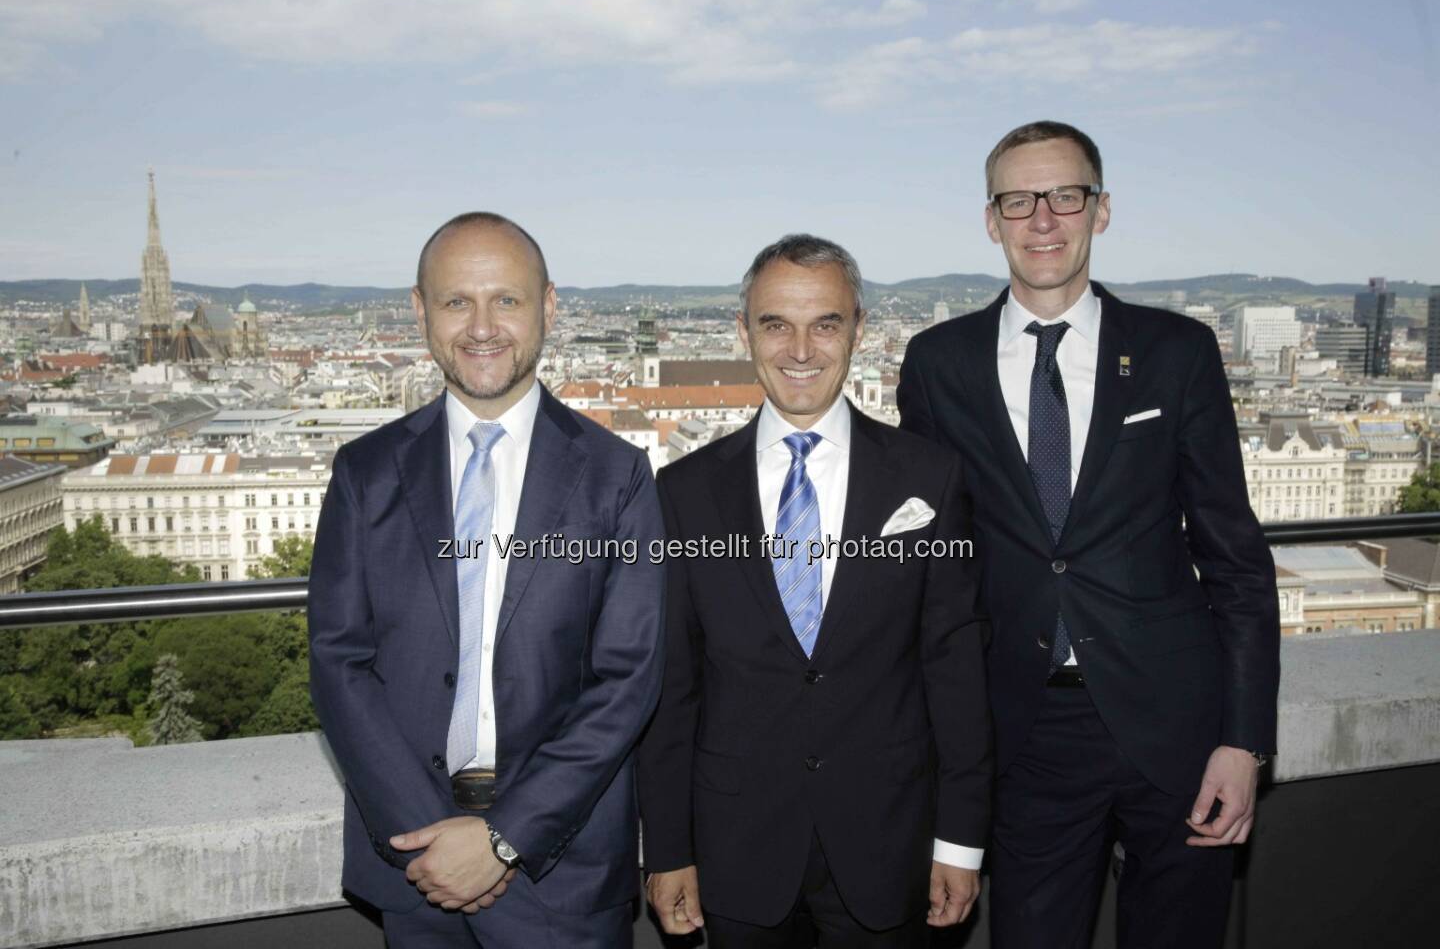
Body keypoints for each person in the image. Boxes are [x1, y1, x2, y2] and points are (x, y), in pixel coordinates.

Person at [898, 121, 1280, 949]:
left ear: (1100, 211)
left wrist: (1244, 741)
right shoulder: (937, 363)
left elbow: (1235, 558)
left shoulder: (1178, 352)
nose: (1043, 219)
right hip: (1026, 733)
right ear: (990, 219)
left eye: (1065, 196)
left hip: (1177, 726)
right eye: (1018, 199)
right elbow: (934, 566)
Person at [308, 211, 665, 948]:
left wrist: (505, 838)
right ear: (419, 311)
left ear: (549, 306)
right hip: (414, 863)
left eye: (506, 299)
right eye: (455, 301)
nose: (482, 326)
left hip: (559, 866)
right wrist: (430, 839)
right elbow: (339, 661)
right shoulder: (364, 474)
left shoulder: (616, 475)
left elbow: (627, 677)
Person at [637, 234, 991, 948]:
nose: (801, 348)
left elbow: (954, 672)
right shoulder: (684, 493)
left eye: (825, 323)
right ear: (744, 333)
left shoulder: (929, 479)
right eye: (776, 324)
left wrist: (959, 842)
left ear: (859, 329)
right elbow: (672, 688)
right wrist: (669, 847)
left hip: (890, 840)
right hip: (737, 846)